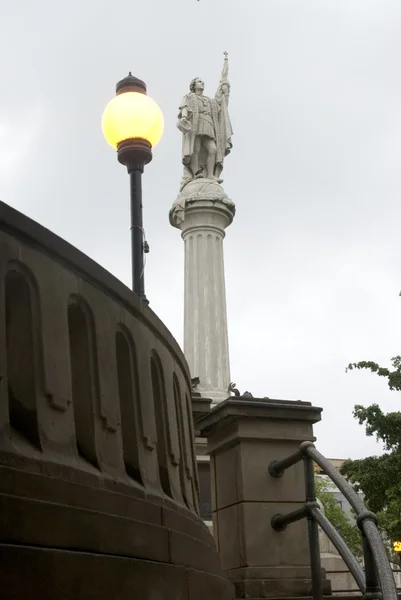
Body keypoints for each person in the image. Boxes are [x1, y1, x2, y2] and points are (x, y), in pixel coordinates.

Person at [177, 54, 233, 187]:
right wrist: (184, 117)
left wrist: (223, 87)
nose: (202, 83)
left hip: (208, 124)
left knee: (212, 149)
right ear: (193, 85)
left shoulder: (209, 100)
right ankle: (196, 172)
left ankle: (210, 175)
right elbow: (184, 107)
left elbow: (219, 102)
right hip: (196, 125)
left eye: (202, 81)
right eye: (199, 81)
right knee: (195, 149)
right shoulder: (189, 97)